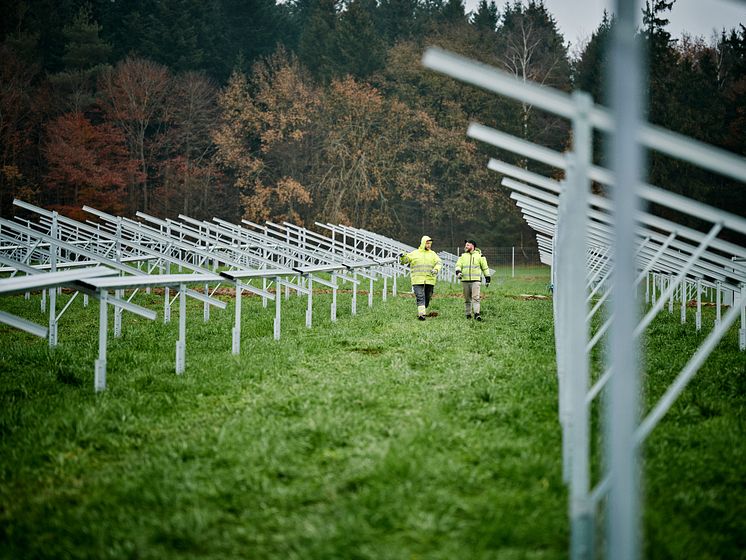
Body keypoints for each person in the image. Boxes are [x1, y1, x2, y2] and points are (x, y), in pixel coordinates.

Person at [399, 235, 442, 320]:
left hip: (430, 279)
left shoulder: (433, 254)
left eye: (430, 243)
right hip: (417, 279)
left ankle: (423, 308)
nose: (429, 245)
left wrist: (436, 270)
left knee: (427, 297)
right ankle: (421, 315)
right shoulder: (414, 253)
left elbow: (439, 263)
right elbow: (405, 261)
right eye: (427, 243)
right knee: (420, 296)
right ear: (423, 243)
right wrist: (403, 256)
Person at [455, 239, 490, 320]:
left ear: (472, 246)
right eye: (465, 245)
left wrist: (488, 278)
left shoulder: (480, 256)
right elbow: (458, 265)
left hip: (476, 281)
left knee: (476, 298)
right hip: (465, 281)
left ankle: (477, 314)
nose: (465, 247)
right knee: (467, 299)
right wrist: (458, 272)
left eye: (467, 245)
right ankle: (468, 314)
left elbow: (485, 268)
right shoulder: (462, 256)